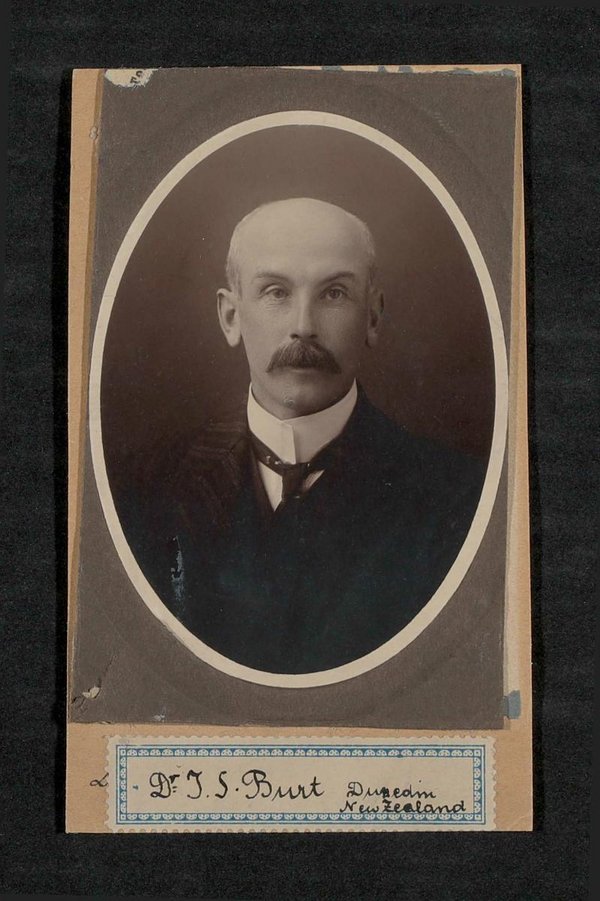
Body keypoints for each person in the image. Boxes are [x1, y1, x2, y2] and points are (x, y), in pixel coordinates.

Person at [121, 198, 485, 675]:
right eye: (276, 292)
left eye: (334, 293)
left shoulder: (460, 498)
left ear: (373, 317)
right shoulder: (141, 487)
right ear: (231, 317)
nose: (303, 327)